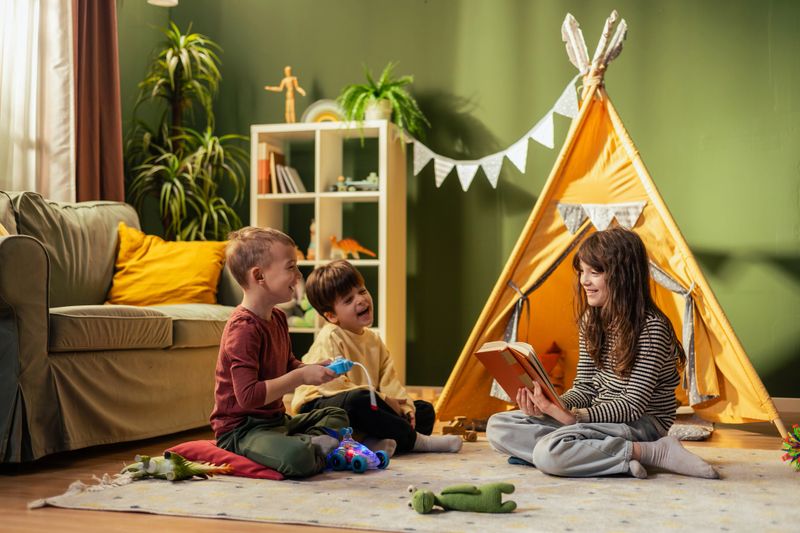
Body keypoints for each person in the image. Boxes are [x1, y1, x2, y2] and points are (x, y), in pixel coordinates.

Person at [486, 227, 719, 479]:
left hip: (640, 424)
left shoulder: (651, 328)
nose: (584, 281)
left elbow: (632, 406)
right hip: (597, 419)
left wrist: (573, 417)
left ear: (623, 276)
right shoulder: (591, 320)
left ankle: (655, 452)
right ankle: (615, 458)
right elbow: (585, 387)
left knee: (548, 453)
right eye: (582, 272)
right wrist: (552, 404)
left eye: (594, 272)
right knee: (498, 426)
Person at [210, 226, 349, 478]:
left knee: (337, 415)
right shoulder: (242, 329)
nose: (298, 274)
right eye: (291, 266)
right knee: (297, 459)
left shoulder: (278, 318)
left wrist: (314, 368)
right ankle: (312, 450)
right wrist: (301, 378)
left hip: (276, 422)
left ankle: (312, 446)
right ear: (259, 276)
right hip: (241, 431)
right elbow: (248, 396)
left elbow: (288, 366)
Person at [292, 259, 462, 456]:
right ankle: (416, 441)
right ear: (331, 316)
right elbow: (333, 387)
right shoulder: (331, 336)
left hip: (367, 403)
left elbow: (389, 380)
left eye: (362, 291)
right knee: (359, 401)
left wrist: (405, 406)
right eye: (348, 300)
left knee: (422, 410)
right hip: (321, 406)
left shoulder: (374, 340)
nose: (361, 300)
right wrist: (382, 398)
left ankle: (373, 442)